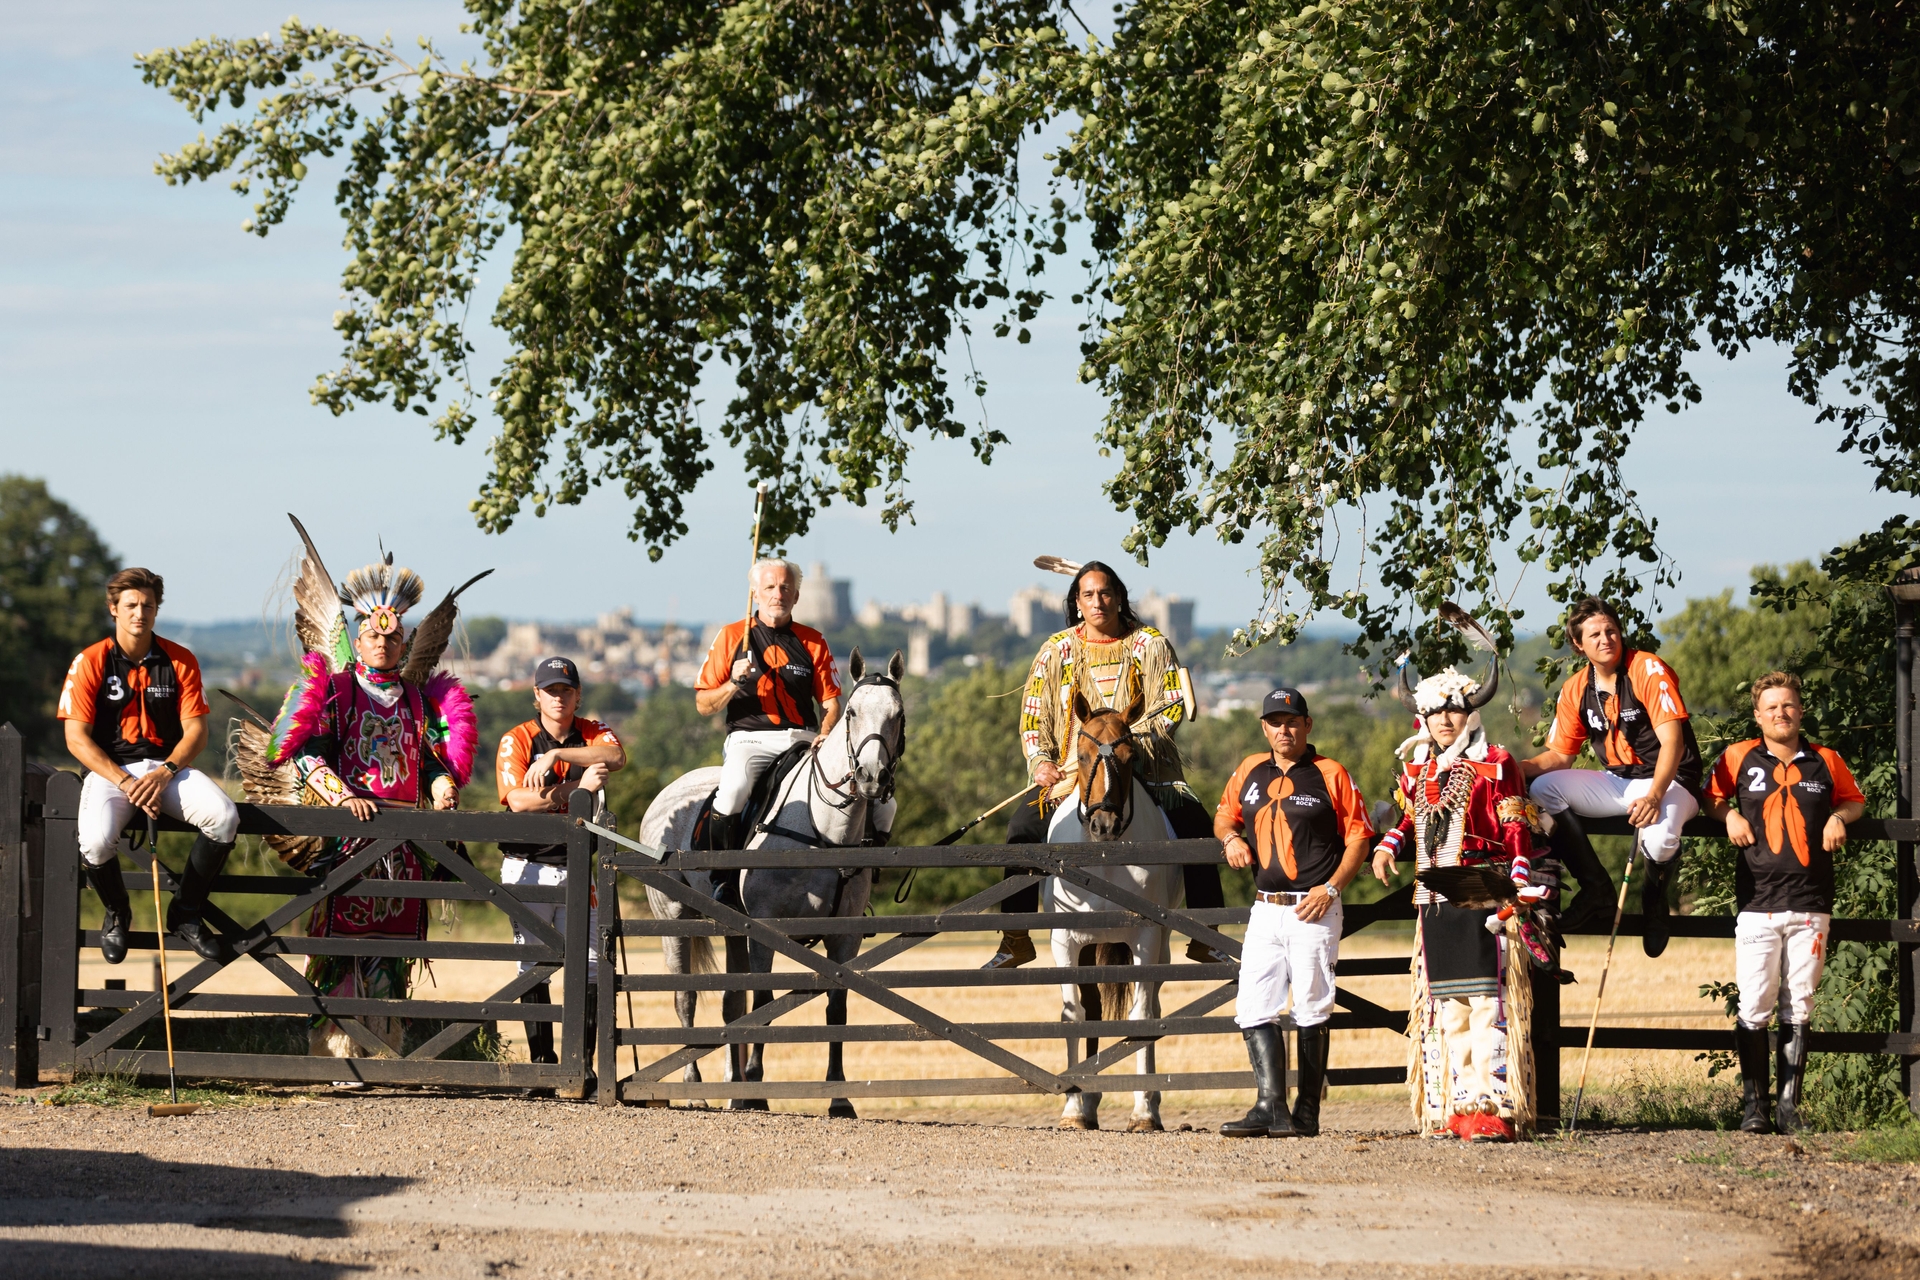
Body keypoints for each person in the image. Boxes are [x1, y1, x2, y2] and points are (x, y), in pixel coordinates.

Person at [248, 526, 480, 1074]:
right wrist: (340, 796)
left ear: (403, 643)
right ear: (360, 636)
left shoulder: (418, 702)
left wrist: (443, 787)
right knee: (338, 951)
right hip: (348, 836)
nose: (381, 643)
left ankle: (384, 1057)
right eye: (372, 636)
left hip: (404, 842)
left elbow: (427, 763)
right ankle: (331, 1060)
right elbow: (304, 753)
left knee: (393, 952)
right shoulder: (336, 690)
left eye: (392, 637)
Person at [984, 559, 1223, 970]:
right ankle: (1015, 937)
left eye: (1106, 593)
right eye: (1089, 595)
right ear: (1077, 603)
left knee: (1197, 825)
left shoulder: (1151, 645)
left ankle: (1206, 933)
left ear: (1120, 598)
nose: (1098, 602)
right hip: (1072, 770)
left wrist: (1123, 742)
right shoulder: (1055, 650)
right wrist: (1041, 762)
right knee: (1021, 828)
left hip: (1144, 764)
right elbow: (1034, 716)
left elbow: (1170, 704)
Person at [1371, 661, 1552, 1143]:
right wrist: (1391, 841)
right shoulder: (1420, 769)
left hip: (1481, 884)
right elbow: (1412, 818)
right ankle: (1459, 1103)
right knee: (1447, 1002)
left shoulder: (1497, 761)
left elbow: (1515, 823)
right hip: (1433, 890)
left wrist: (1516, 873)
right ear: (1423, 719)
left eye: (1453, 710)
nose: (1445, 720)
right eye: (1435, 713)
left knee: (1488, 999)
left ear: (1470, 712)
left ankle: (1495, 1104)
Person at [1703, 671, 1864, 1134]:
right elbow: (1708, 797)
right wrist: (1729, 812)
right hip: (1757, 902)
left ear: (1801, 710)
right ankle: (1754, 1106)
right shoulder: (1737, 757)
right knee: (1754, 1004)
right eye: (1771, 707)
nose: (1781, 713)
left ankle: (1789, 1109)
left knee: (1800, 1006)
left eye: (1788, 705)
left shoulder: (1826, 760)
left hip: (1812, 901)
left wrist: (1837, 816)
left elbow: (1856, 802)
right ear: (1758, 715)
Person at [58, 566, 240, 964]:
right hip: (111, 772)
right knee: (94, 841)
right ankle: (118, 913)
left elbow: (196, 732)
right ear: (114, 609)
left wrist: (164, 773)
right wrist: (125, 781)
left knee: (224, 817)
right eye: (131, 605)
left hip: (166, 769)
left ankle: (186, 913)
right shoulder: (89, 661)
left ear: (157, 610)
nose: (140, 613)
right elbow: (76, 739)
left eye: (148, 605)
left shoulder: (180, 660)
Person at [1215, 689, 1373, 1138]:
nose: (1283, 730)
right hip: (1265, 908)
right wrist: (1230, 839)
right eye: (1274, 722)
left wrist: (1331, 888)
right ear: (1264, 728)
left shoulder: (1330, 772)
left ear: (1308, 725)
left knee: (1311, 1007)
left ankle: (1306, 1114)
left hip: (1313, 908)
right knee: (1252, 1006)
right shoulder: (1249, 769)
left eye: (1292, 721)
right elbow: (1224, 815)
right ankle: (1269, 1107)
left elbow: (1360, 836)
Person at [1523, 596, 1703, 957]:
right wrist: (1507, 766)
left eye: (1611, 630)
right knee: (1542, 789)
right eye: (1595, 634)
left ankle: (1654, 904)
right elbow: (1560, 756)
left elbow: (1673, 742)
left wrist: (1654, 795)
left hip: (1672, 780)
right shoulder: (1575, 687)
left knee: (1661, 840)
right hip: (1618, 779)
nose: (1606, 639)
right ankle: (1596, 890)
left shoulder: (1648, 669)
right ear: (1578, 644)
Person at [695, 559, 888, 851]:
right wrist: (733, 683)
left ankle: (863, 876)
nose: (778, 594)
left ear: (796, 596)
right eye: (770, 587)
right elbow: (703, 704)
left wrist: (826, 733)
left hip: (804, 739)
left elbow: (830, 701)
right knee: (732, 792)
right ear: (755, 595)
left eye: (786, 588)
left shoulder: (813, 641)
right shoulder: (732, 635)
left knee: (885, 805)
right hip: (750, 740)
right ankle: (721, 875)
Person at [497, 656, 626, 1084]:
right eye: (550, 690)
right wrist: (577, 789)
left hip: (577, 867)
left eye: (566, 690)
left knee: (590, 964)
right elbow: (517, 801)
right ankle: (541, 1065)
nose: (559, 697)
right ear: (536, 695)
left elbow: (616, 754)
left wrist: (555, 754)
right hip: (528, 867)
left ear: (577, 694)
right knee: (534, 965)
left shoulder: (587, 731)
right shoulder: (515, 739)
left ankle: (581, 1066)